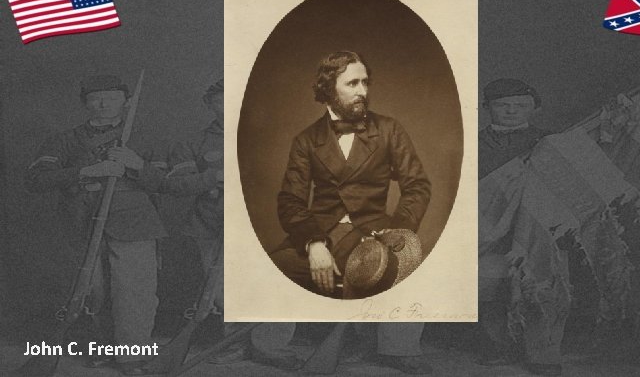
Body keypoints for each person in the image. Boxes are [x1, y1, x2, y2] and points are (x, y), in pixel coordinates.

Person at [270, 51, 432, 374]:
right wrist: (314, 243)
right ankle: (267, 347)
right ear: (329, 89)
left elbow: (417, 186)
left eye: (365, 82)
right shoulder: (307, 140)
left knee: (409, 265)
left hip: (374, 231)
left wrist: (398, 232)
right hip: (321, 232)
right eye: (352, 83)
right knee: (270, 267)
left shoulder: (389, 130)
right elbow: (290, 200)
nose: (362, 91)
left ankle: (396, 349)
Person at [24, 75, 167, 375]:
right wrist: (89, 170)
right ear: (85, 103)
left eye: (112, 97)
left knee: (134, 293)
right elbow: (36, 179)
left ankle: (132, 357)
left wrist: (136, 164)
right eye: (95, 98)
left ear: (126, 102)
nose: (103, 104)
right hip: (83, 224)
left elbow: (166, 184)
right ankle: (103, 348)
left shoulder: (144, 138)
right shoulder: (64, 140)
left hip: (135, 225)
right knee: (93, 293)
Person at [160, 79, 301, 370]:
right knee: (224, 289)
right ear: (209, 104)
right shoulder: (194, 142)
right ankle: (235, 344)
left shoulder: (276, 136)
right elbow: (176, 185)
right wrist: (213, 180)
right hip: (210, 224)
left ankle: (271, 346)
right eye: (220, 100)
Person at [478, 78, 566, 376]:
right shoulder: (470, 143)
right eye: (503, 105)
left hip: (537, 226)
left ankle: (543, 353)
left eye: (520, 105)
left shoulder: (551, 142)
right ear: (487, 107)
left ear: (534, 108)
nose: (512, 111)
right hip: (488, 228)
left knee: (543, 274)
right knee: (486, 277)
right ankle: (497, 346)